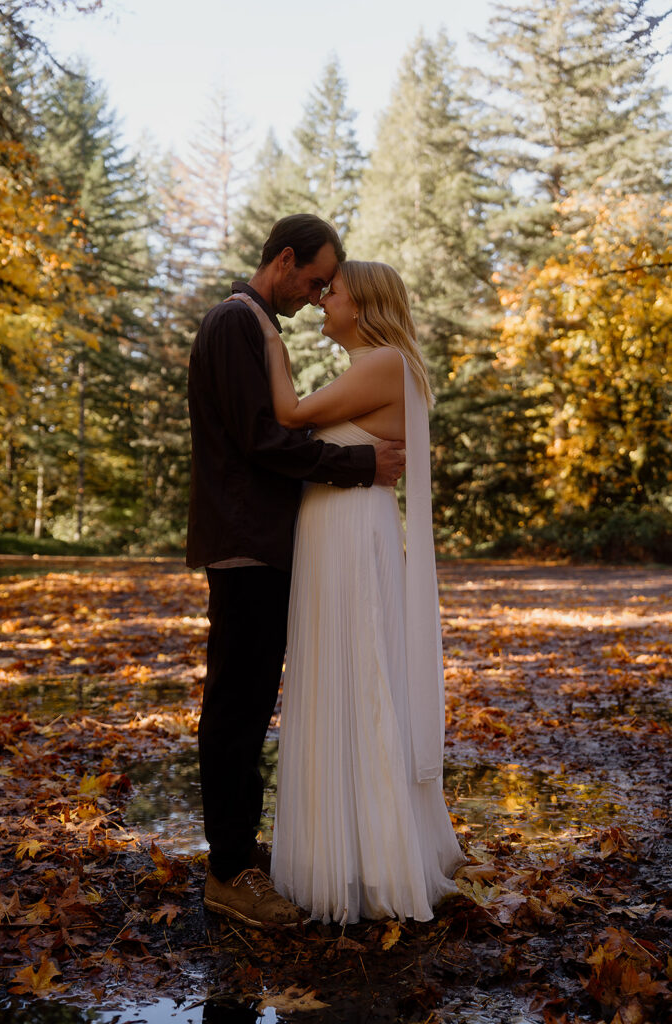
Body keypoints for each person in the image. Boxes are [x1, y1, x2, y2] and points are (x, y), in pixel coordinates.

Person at [186, 216, 405, 929]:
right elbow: (262, 440)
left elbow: (278, 430)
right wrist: (358, 464)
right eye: (314, 280)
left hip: (268, 543)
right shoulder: (235, 323)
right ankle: (228, 870)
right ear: (284, 259)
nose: (318, 296)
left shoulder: (253, 325)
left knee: (250, 705)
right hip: (245, 542)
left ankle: (240, 854)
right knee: (236, 706)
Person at [234, 260, 466, 925]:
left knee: (358, 674)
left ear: (361, 306)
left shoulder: (384, 361)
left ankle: (370, 854)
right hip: (336, 529)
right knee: (341, 673)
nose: (318, 299)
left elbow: (289, 413)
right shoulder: (376, 363)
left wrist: (266, 332)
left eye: (328, 292)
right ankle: (350, 844)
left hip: (347, 534)